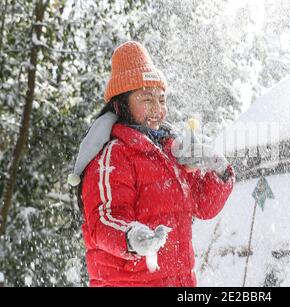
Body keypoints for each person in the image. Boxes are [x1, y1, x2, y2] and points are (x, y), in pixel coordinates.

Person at [70, 41, 235, 287]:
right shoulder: (113, 155)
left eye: (161, 99)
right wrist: (132, 238)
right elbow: (103, 219)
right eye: (147, 99)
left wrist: (217, 168)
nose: (157, 109)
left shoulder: (172, 152)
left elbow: (203, 205)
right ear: (121, 103)